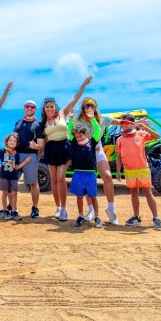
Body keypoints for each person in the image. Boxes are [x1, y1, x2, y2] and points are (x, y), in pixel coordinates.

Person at [42, 76, 93, 222]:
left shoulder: (63, 113)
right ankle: (57, 207)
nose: (50, 108)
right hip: (51, 149)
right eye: (47, 107)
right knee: (53, 180)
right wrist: (38, 153)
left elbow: (75, 98)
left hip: (64, 147)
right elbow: (44, 140)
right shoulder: (44, 122)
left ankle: (64, 209)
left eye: (52, 106)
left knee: (61, 178)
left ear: (56, 107)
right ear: (44, 110)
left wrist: (83, 84)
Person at [73, 97, 122, 225]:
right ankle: (90, 211)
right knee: (86, 180)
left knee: (107, 177)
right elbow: (72, 134)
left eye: (91, 106)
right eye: (86, 106)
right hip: (85, 152)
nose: (89, 108)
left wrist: (137, 124)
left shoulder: (102, 118)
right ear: (83, 109)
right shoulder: (78, 120)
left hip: (98, 150)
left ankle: (111, 210)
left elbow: (119, 122)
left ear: (95, 107)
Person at [115, 113, 161, 231]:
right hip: (129, 170)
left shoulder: (141, 134)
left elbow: (157, 136)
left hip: (142, 169)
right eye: (121, 123)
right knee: (133, 193)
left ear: (132, 123)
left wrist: (143, 127)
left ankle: (156, 218)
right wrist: (117, 171)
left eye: (125, 123)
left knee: (148, 193)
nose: (123, 125)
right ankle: (136, 216)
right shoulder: (120, 139)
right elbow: (119, 156)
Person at [13, 100, 45, 218]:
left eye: (32, 107)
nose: (29, 108)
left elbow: (41, 144)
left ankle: (35, 208)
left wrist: (36, 147)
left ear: (35, 109)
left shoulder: (38, 124)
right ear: (24, 108)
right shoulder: (18, 123)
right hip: (17, 155)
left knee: (33, 183)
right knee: (13, 182)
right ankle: (13, 208)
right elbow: (13, 140)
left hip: (31, 156)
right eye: (27, 106)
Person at [68, 123, 103, 228]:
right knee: (79, 196)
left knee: (93, 196)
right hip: (78, 173)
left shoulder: (92, 141)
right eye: (77, 137)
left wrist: (92, 118)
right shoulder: (74, 143)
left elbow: (97, 130)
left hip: (90, 174)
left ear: (86, 134)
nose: (78, 138)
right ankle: (80, 216)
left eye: (81, 136)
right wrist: (70, 119)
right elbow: (70, 131)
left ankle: (97, 217)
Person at [0, 133, 31, 220]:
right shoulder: (2, 151)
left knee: (14, 193)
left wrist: (25, 162)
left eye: (14, 141)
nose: (12, 142)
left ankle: (14, 211)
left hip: (13, 176)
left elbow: (16, 167)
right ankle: (5, 211)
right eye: (10, 140)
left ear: (16, 143)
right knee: (5, 193)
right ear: (7, 142)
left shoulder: (16, 154)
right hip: (4, 176)